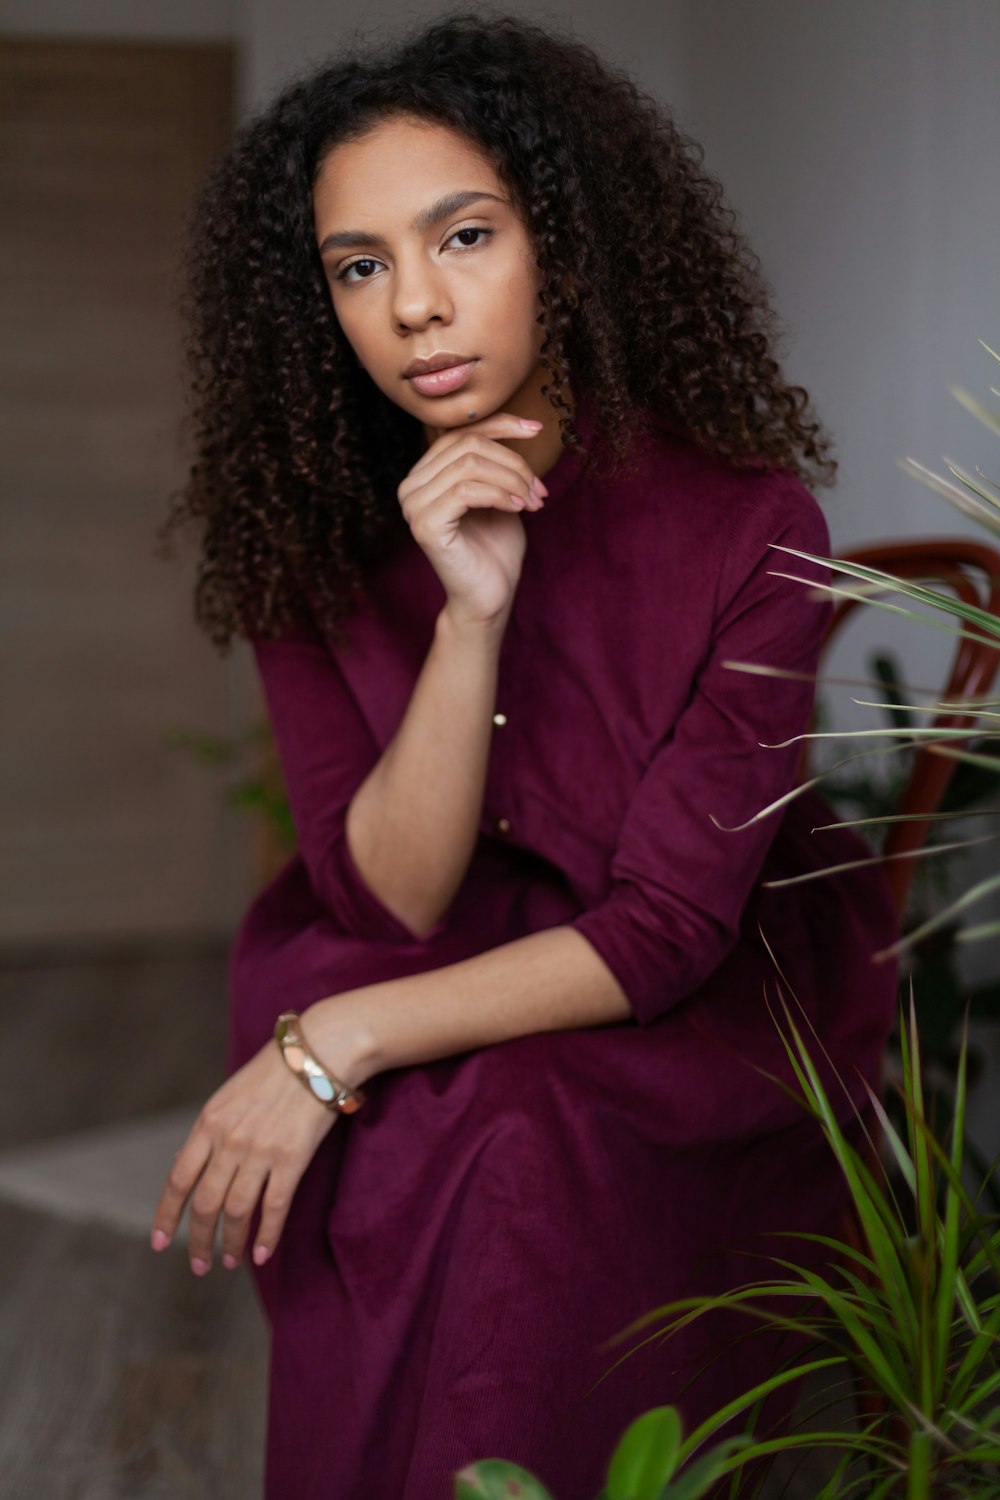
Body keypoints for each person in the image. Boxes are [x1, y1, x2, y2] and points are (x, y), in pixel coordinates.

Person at [150, 13, 899, 1498]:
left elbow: (673, 927)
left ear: (562, 239)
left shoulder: (756, 530)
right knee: (428, 1117)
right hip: (453, 921)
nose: (415, 306)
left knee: (508, 1128)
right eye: (358, 267)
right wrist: (468, 620)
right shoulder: (301, 525)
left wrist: (334, 1046)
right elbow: (394, 909)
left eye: (465, 236)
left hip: (699, 970)